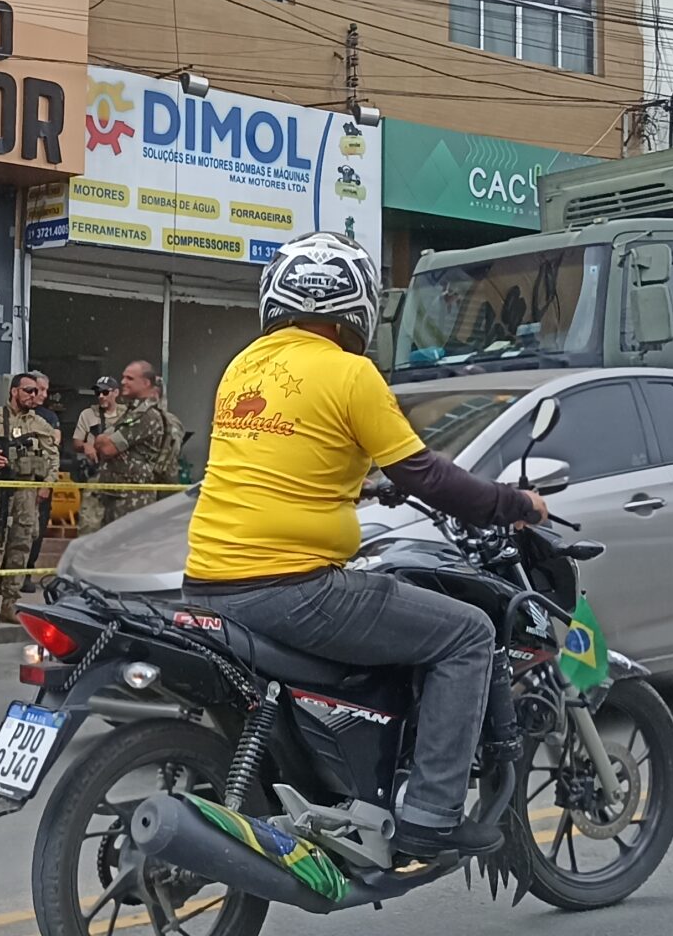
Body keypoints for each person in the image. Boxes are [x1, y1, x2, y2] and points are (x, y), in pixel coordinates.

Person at [181, 231, 545, 866]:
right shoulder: (352, 373)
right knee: (466, 634)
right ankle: (431, 816)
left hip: (209, 582)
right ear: (358, 308)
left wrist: (359, 481)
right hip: (292, 589)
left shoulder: (243, 367)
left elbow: (286, 456)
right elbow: (428, 476)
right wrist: (514, 504)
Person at [0, 372, 60, 628]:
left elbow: (52, 459)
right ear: (14, 391)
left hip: (27, 494)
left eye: (36, 392)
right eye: (28, 390)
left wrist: (46, 486)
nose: (34, 396)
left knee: (20, 548)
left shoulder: (41, 425)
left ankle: (10, 605)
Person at [88, 360, 179, 522]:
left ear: (145, 383)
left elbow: (107, 448)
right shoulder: (133, 411)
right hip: (118, 496)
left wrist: (102, 440)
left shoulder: (146, 415)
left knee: (127, 546)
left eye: (129, 378)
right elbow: (102, 440)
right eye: (123, 377)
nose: (123, 382)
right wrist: (102, 440)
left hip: (133, 500)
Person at [72, 377, 125, 535]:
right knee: (89, 524)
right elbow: (76, 443)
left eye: (105, 392)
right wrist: (86, 446)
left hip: (122, 477)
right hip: (96, 476)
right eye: (98, 392)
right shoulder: (89, 414)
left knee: (121, 527)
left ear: (116, 393)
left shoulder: (128, 414)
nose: (101, 396)